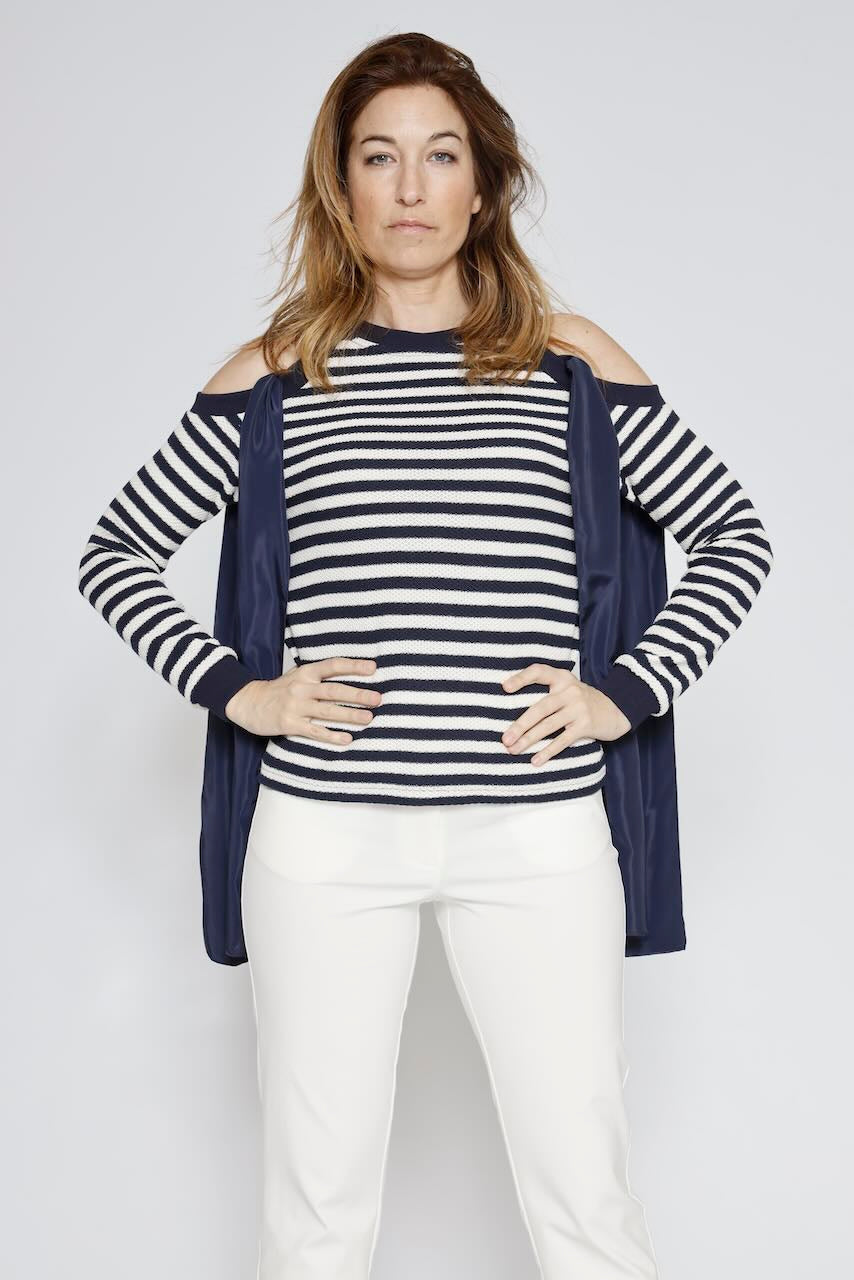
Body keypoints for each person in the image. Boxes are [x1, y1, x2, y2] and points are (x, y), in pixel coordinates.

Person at [77, 31, 773, 1280]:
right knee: (315, 1211)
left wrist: (620, 693)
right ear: (339, 186)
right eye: (378, 156)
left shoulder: (569, 362)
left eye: (440, 155)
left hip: (537, 829)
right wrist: (246, 691)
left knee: (585, 1198)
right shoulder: (278, 375)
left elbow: (734, 536)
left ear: (483, 186)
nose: (409, 187)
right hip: (324, 835)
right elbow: (115, 551)